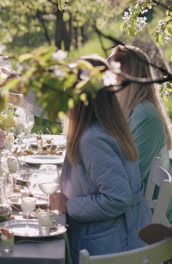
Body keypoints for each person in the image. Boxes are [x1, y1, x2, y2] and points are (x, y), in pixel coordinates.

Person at [50, 56, 151, 263]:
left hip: (109, 247)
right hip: (117, 236)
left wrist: (70, 206)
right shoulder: (107, 128)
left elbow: (118, 198)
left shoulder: (93, 140)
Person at [107, 45, 171, 185]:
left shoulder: (146, 117)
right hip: (124, 196)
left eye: (109, 71)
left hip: (145, 203)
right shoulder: (126, 110)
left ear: (124, 74)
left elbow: (130, 177)